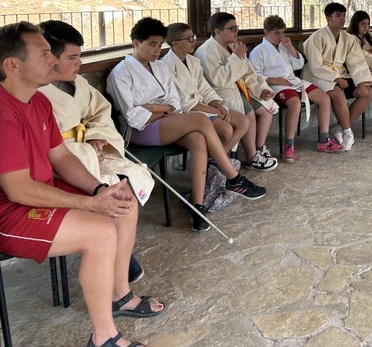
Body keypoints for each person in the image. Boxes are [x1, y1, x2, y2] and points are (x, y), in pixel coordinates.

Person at [0, 22, 162, 347]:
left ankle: (119, 294)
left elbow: (61, 156)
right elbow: (18, 189)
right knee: (99, 232)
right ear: (12, 65)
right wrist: (88, 204)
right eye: (44, 54)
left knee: (121, 198)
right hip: (5, 213)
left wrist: (99, 190)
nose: (53, 60)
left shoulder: (36, 102)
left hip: (39, 191)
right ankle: (103, 341)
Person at [107, 17, 265, 233]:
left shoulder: (159, 67)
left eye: (158, 44)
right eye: (151, 44)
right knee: (200, 119)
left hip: (167, 121)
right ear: (135, 43)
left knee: (198, 139)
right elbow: (134, 117)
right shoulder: (121, 73)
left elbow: (174, 104)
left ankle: (197, 207)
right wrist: (162, 110)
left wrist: (156, 107)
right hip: (139, 131)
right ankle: (233, 177)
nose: (156, 50)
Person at [38, 20, 154, 284]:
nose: (79, 63)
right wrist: (86, 150)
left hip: (90, 150)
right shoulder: (36, 94)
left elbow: (99, 111)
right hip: (64, 162)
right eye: (73, 57)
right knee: (115, 190)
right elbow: (48, 146)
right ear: (49, 58)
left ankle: (120, 252)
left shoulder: (77, 83)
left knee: (130, 177)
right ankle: (114, 254)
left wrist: (96, 137)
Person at [249, 15, 342, 158]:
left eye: (282, 32)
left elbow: (298, 64)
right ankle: (289, 147)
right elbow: (254, 76)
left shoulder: (284, 46)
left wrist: (290, 47)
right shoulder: (258, 51)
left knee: (324, 98)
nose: (280, 36)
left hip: (293, 81)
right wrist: (275, 80)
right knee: (295, 103)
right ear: (266, 32)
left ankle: (324, 141)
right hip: (274, 85)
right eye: (276, 33)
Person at [194, 12, 279, 168]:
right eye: (231, 28)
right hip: (221, 94)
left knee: (266, 110)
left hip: (239, 89)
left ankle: (259, 148)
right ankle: (251, 156)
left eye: (236, 27)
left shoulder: (232, 46)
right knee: (250, 114)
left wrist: (261, 89)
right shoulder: (207, 51)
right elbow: (219, 80)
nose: (236, 31)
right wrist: (236, 57)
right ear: (217, 31)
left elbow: (249, 72)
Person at [162, 22, 250, 154]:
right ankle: (220, 162)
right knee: (226, 130)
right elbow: (182, 101)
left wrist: (217, 106)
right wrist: (212, 110)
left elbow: (204, 88)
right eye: (189, 39)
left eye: (194, 37)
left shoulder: (192, 61)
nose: (193, 42)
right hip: (186, 112)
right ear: (175, 43)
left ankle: (216, 161)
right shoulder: (166, 65)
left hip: (203, 106)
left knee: (244, 121)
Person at [301, 2, 372, 151]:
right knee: (337, 93)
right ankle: (348, 132)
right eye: (338, 15)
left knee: (367, 92)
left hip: (340, 73)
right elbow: (315, 66)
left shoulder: (348, 38)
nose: (342, 19)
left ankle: (340, 128)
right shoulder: (316, 37)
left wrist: (361, 82)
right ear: (328, 18)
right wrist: (336, 78)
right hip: (317, 75)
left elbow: (356, 61)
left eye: (344, 15)